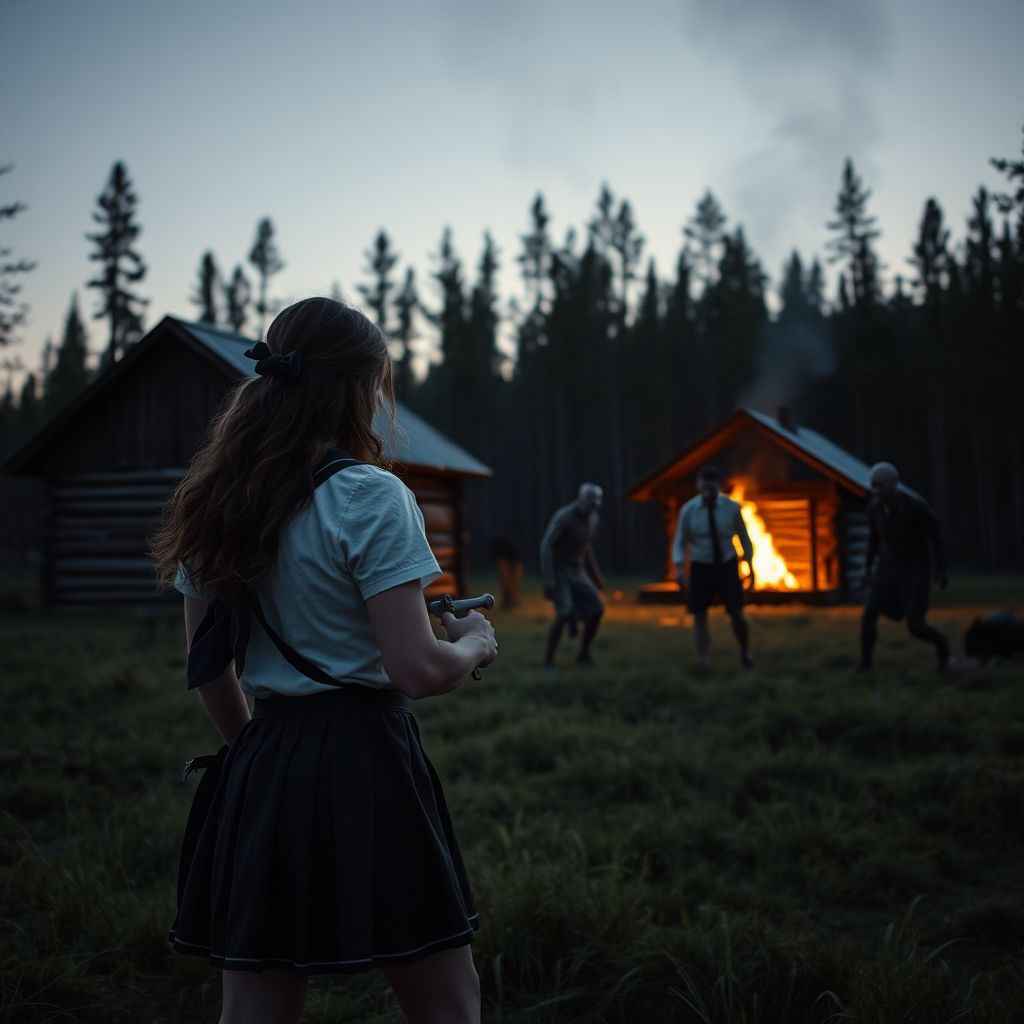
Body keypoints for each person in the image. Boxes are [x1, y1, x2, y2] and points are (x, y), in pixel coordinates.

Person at [151, 298, 496, 1024]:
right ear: (358, 387)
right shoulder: (371, 497)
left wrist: (258, 752)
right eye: (379, 385)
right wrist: (470, 643)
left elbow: (207, 665)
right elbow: (417, 670)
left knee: (255, 1008)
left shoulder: (216, 501)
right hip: (367, 758)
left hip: (265, 758)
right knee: (448, 1004)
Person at [855, 461, 949, 672]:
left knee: (915, 625)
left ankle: (943, 650)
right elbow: (874, 538)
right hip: (885, 569)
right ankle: (865, 663)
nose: (876, 490)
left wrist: (941, 569)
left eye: (881, 485)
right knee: (869, 613)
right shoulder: (874, 508)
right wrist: (867, 567)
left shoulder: (915, 506)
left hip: (913, 570)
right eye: (873, 485)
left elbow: (937, 534)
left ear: (894, 483)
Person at [673, 465, 755, 669]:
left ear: (718, 486)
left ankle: (745, 653)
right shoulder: (689, 510)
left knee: (736, 612)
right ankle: (704, 661)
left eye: (711, 486)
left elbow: (744, 538)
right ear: (699, 486)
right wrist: (680, 568)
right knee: (699, 614)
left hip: (727, 566)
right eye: (704, 485)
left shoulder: (732, 508)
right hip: (701, 567)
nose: (707, 490)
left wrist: (749, 565)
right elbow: (680, 541)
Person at [540, 483, 605, 670]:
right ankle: (548, 662)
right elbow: (546, 545)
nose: (592, 507)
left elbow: (587, 547)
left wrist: (595, 574)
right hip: (559, 570)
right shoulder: (564, 517)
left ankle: (584, 653)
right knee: (564, 613)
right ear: (580, 499)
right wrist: (549, 577)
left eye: (596, 504)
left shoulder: (594, 520)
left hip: (578, 571)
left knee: (596, 610)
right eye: (589, 503)